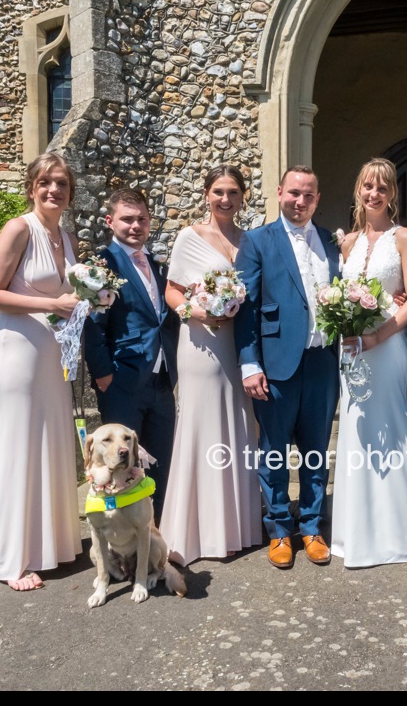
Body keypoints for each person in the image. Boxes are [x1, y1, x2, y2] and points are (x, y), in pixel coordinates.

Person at [332, 158, 407, 567]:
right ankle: (355, 530)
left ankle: (406, 528)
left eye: (382, 187)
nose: (373, 194)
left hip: (387, 344)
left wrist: (378, 333)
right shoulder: (347, 243)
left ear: (392, 194)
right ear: (358, 191)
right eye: (367, 186)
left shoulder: (405, 238)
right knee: (356, 430)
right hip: (349, 349)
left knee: (390, 426)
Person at [0, 152, 82, 591]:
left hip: (49, 358)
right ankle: (11, 562)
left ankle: (51, 548)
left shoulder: (65, 234)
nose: (53, 190)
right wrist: (50, 304)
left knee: (50, 447)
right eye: (45, 183)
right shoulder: (18, 229)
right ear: (32, 188)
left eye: (60, 183)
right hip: (16, 356)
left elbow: (68, 295)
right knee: (20, 451)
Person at [235, 166, 341, 569]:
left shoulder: (331, 240)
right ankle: (279, 529)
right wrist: (249, 363)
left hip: (321, 361)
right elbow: (245, 308)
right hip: (276, 363)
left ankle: (312, 526)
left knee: (316, 451)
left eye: (309, 195)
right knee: (274, 452)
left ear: (317, 198)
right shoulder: (257, 240)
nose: (300, 201)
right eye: (294, 193)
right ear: (279, 192)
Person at [160, 165, 263, 565]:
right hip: (202, 342)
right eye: (218, 191)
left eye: (233, 192)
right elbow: (173, 291)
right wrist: (199, 313)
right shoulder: (190, 237)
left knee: (240, 427)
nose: (225, 199)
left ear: (243, 197)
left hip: (240, 346)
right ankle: (197, 532)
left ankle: (238, 527)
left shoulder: (249, 240)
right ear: (206, 194)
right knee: (203, 426)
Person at [84, 188, 179, 521]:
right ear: (111, 221)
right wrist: (103, 376)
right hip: (123, 380)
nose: (135, 225)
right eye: (127, 219)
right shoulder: (101, 265)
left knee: (161, 463)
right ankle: (120, 539)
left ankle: (156, 534)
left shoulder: (156, 264)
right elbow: (93, 325)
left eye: (141, 218)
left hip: (161, 379)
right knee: (121, 468)